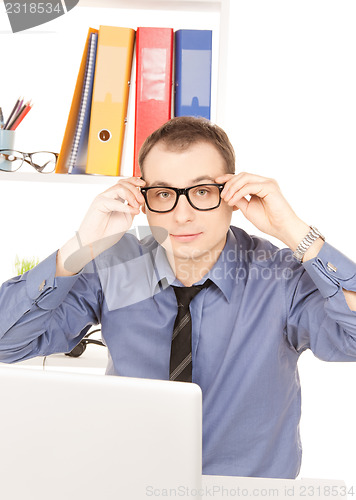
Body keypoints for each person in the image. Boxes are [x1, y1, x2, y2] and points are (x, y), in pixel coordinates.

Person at [0, 116, 355, 479]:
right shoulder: (119, 264)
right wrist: (80, 246)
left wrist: (293, 230)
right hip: (133, 485)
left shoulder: (279, 277)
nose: (182, 215)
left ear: (232, 195)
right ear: (143, 199)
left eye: (202, 192)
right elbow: (5, 342)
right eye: (164, 194)